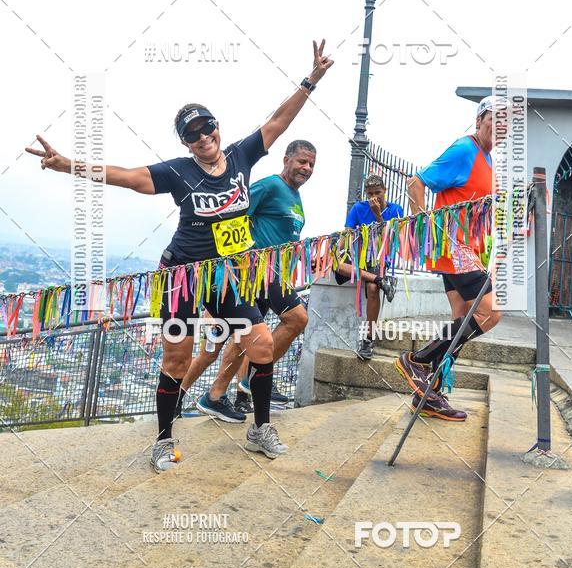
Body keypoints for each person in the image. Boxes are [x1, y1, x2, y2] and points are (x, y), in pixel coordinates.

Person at [26, 40, 333, 469]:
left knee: (261, 347)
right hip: (181, 279)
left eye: (208, 128)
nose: (204, 137)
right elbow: (130, 177)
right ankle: (164, 439)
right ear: (186, 143)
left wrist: (311, 79)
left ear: (217, 128)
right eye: (194, 134)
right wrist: (67, 165)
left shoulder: (241, 156)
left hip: (228, 273)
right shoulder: (179, 171)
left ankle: (260, 428)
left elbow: (278, 122)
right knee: (177, 357)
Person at [178, 139, 316, 417]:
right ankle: (247, 377)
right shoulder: (270, 186)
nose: (307, 167)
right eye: (302, 161)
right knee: (296, 318)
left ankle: (214, 396)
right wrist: (224, 271)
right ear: (286, 159)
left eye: (312, 163)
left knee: (236, 344)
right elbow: (233, 214)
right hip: (248, 274)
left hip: (265, 279)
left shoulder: (294, 196)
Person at [395, 95, 503, 421]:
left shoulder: (486, 158)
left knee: (461, 320)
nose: (500, 127)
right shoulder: (464, 150)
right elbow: (416, 182)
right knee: (490, 314)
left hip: (467, 250)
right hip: (454, 248)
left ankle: (430, 396)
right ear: (479, 120)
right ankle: (416, 360)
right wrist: (425, 222)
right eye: (494, 120)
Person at [334, 174, 403, 361]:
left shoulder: (396, 210)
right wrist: (337, 250)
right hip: (359, 256)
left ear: (385, 191)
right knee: (338, 265)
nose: (374, 197)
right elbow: (347, 233)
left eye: (378, 193)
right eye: (370, 193)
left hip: (379, 256)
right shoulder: (358, 208)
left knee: (372, 289)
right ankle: (381, 281)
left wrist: (378, 215)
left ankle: (368, 339)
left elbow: (389, 241)